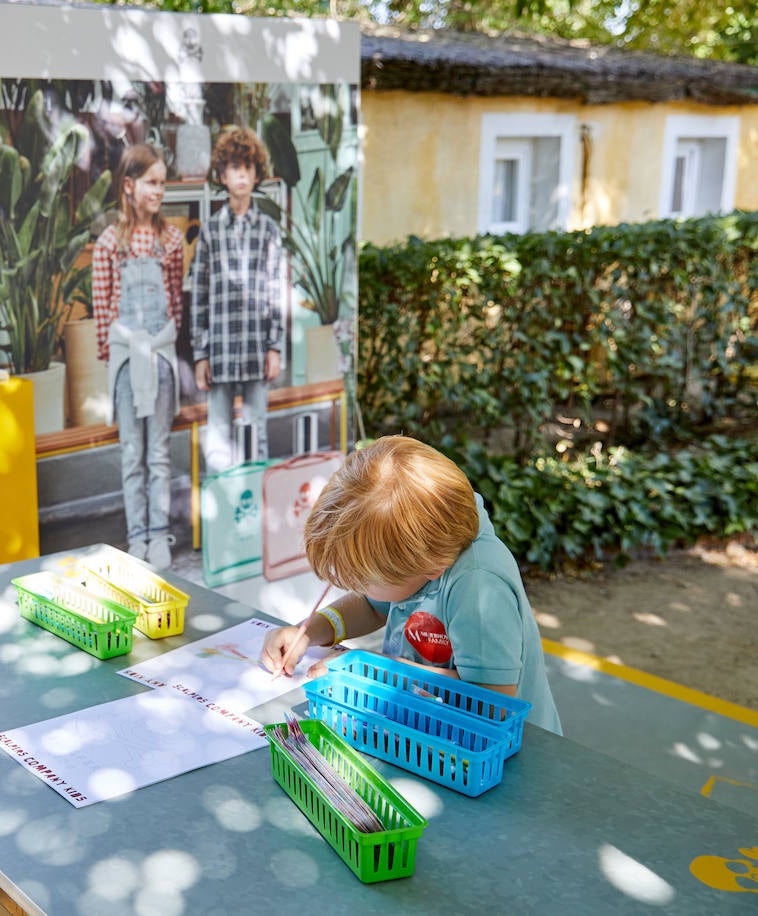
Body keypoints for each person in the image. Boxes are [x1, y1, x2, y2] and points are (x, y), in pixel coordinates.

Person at [261, 435, 563, 734]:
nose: (358, 588)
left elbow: (492, 703)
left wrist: (374, 670)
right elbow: (371, 607)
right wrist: (309, 631)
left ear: (431, 567)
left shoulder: (480, 587)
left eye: (363, 580)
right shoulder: (423, 547)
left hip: (508, 750)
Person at [92, 143, 186, 569]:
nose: (158, 191)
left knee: (159, 453)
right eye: (151, 182)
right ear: (129, 186)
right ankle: (137, 538)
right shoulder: (110, 243)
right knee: (132, 453)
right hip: (128, 364)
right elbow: (104, 313)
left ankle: (159, 534)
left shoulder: (171, 240)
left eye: (162, 183)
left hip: (161, 360)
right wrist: (118, 355)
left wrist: (160, 343)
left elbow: (175, 302)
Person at [191, 127, 285, 475]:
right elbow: (199, 295)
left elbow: (277, 291)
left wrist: (274, 347)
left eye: (248, 167)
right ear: (222, 176)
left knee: (255, 432)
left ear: (257, 173)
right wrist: (200, 353)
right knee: (218, 436)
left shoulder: (269, 230)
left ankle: (255, 501)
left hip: (256, 349)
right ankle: (224, 503)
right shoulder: (210, 231)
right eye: (234, 167)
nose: (241, 174)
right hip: (220, 351)